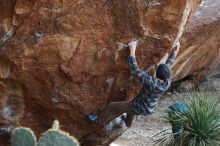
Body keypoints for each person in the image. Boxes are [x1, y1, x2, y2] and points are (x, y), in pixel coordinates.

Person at [87, 40, 180, 127]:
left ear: (156, 74)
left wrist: (132, 50)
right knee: (132, 109)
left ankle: (99, 121)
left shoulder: (152, 82)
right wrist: (176, 51)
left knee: (112, 106)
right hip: (149, 108)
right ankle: (128, 123)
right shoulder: (167, 80)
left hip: (138, 107)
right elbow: (169, 64)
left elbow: (135, 70)